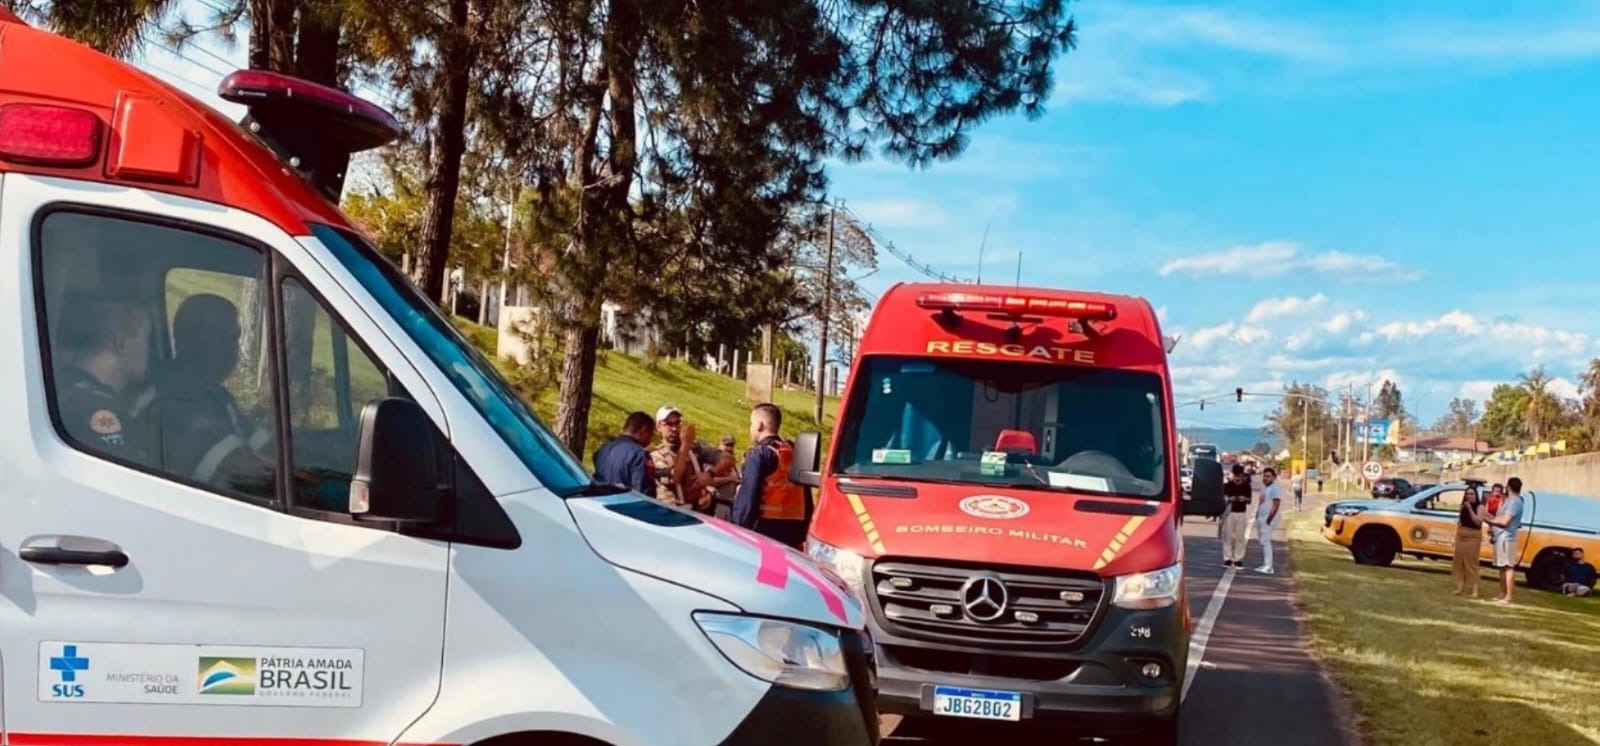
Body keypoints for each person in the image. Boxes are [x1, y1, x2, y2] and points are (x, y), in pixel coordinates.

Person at [140, 295, 276, 495]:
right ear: (191, 340)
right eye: (221, 337)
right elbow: (250, 471)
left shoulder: (216, 395)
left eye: (235, 337)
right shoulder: (174, 401)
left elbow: (267, 445)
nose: (233, 348)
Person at [53, 299, 154, 463]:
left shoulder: (60, 385)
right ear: (122, 344)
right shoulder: (95, 408)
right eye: (146, 340)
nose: (149, 351)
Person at [730, 403, 807, 548]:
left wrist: (738, 527)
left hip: (764, 533)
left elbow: (749, 496)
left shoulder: (759, 454)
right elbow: (806, 497)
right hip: (794, 535)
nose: (750, 428)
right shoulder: (794, 452)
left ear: (760, 425)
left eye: (751, 424)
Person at [651, 405, 716, 511]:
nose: (674, 429)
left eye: (677, 423)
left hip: (698, 510)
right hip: (672, 512)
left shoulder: (694, 448)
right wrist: (685, 446)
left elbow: (727, 460)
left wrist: (710, 484)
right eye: (668, 424)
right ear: (658, 427)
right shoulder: (655, 455)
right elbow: (674, 478)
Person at [1483, 476, 1526, 604]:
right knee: (1502, 567)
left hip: (1507, 538)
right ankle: (1502, 593)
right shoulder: (1508, 501)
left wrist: (1489, 521)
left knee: (1508, 566)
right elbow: (1500, 517)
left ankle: (1509, 596)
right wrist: (1491, 520)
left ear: (1508, 487)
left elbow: (1505, 521)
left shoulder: (1515, 502)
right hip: (1500, 537)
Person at [593, 411, 656, 497]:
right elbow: (644, 494)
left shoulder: (602, 450)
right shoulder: (639, 455)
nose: (651, 439)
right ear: (644, 430)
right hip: (625, 503)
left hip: (600, 502)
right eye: (651, 434)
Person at [1451, 483, 1488, 598]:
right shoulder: (1463, 506)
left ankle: (1475, 589)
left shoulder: (1480, 507)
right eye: (1467, 494)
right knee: (1460, 561)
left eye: (1472, 494)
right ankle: (1460, 587)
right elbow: (1461, 520)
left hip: (1473, 536)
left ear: (1476, 495)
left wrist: (1470, 509)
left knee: (1471, 562)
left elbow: (1478, 521)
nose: (1469, 496)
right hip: (1461, 535)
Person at [1221, 464, 1252, 567]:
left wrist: (1244, 498)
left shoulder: (1246, 486)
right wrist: (1231, 498)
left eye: (1239, 475)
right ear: (1233, 474)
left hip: (1241, 512)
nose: (1238, 478)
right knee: (1228, 536)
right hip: (1229, 512)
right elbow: (1223, 499)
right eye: (1236, 475)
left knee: (1240, 537)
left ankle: (1238, 559)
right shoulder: (1227, 485)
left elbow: (1249, 500)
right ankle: (1227, 558)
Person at [1254, 467, 1283, 574]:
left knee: (1266, 541)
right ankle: (1265, 564)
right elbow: (1261, 502)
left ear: (1274, 477)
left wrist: (1269, 519)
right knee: (1263, 541)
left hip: (1268, 518)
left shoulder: (1275, 488)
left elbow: (1276, 504)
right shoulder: (1264, 488)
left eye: (1268, 476)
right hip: (1261, 517)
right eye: (1264, 476)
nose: (1266, 478)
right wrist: (1257, 514)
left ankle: (1269, 566)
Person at [706, 451, 741, 521]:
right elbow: (711, 481)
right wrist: (729, 478)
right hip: (719, 504)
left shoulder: (734, 469)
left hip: (730, 505)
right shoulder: (713, 468)